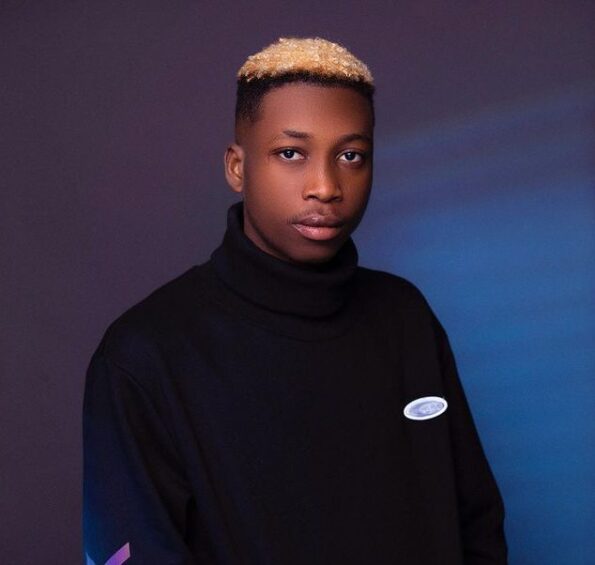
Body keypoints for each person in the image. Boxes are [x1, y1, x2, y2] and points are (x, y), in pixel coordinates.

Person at [83, 37, 507, 564]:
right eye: (291, 153)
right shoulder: (145, 355)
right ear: (237, 167)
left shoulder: (405, 316)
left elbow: (477, 523)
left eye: (351, 156)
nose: (325, 187)